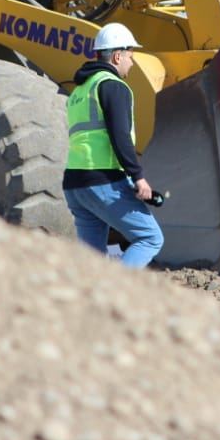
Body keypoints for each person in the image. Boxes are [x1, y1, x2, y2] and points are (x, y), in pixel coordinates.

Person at [63, 23, 164, 268]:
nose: (132, 62)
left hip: (75, 184)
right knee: (150, 238)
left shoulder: (79, 90)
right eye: (130, 55)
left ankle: (87, 303)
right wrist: (138, 177)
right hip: (102, 180)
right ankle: (113, 291)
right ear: (117, 56)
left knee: (92, 259)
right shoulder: (114, 86)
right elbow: (119, 136)